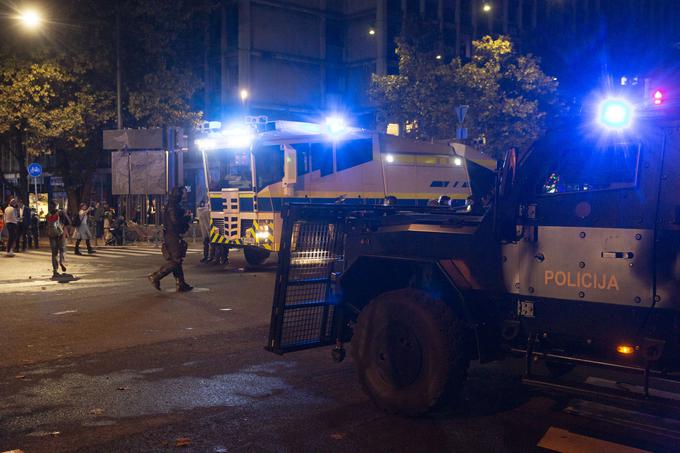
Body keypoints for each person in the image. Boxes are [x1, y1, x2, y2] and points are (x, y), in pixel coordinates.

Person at [148, 186, 193, 292]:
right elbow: (175, 222)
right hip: (172, 235)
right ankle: (156, 276)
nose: (183, 196)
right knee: (175, 261)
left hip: (172, 234)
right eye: (182, 194)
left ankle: (180, 283)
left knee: (177, 260)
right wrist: (186, 218)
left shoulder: (174, 205)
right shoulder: (172, 206)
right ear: (178, 194)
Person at [46, 202, 68, 278]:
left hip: (51, 235)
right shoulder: (61, 213)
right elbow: (67, 222)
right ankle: (61, 262)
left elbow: (47, 226)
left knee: (54, 253)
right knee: (62, 250)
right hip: (60, 234)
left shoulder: (48, 215)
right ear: (56, 206)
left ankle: (55, 269)